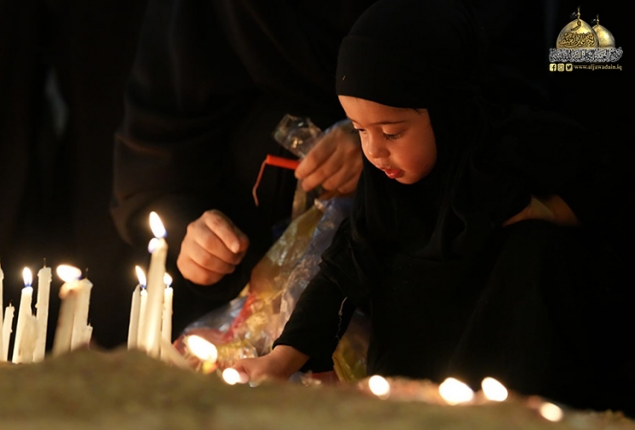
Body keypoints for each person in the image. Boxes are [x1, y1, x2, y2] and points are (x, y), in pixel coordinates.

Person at [230, 0, 632, 416]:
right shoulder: (386, 191)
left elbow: (606, 188)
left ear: (448, 110)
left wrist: (551, 211)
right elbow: (344, 270)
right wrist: (282, 358)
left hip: (515, 403)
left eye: (391, 132)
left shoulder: (520, 155)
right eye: (360, 130)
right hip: (415, 404)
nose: (374, 152)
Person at [111, 1, 376, 335]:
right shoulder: (201, 14)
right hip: (231, 306)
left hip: (396, 279)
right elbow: (154, 163)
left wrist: (379, 134)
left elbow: (433, 82)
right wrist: (193, 237)